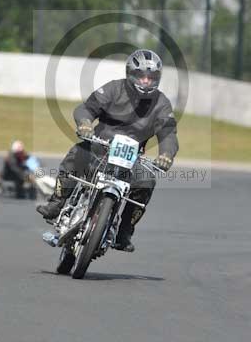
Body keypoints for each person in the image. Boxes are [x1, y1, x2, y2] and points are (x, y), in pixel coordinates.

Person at [36, 49, 179, 251]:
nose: (146, 81)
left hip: (130, 160)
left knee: (147, 181)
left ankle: (124, 232)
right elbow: (86, 109)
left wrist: (166, 155)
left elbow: (169, 134)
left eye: (151, 77)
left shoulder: (161, 104)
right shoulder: (113, 89)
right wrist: (84, 124)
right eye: (141, 76)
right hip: (99, 149)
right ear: (130, 74)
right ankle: (57, 202)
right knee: (76, 154)